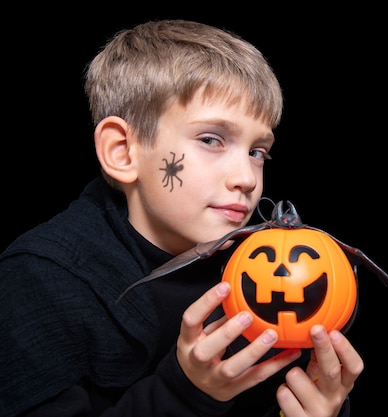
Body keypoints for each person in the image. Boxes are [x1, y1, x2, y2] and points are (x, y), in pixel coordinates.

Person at [0, 19, 363, 417]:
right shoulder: (41, 277)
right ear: (122, 152)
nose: (246, 178)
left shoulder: (264, 271)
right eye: (211, 140)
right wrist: (185, 392)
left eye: (257, 152)